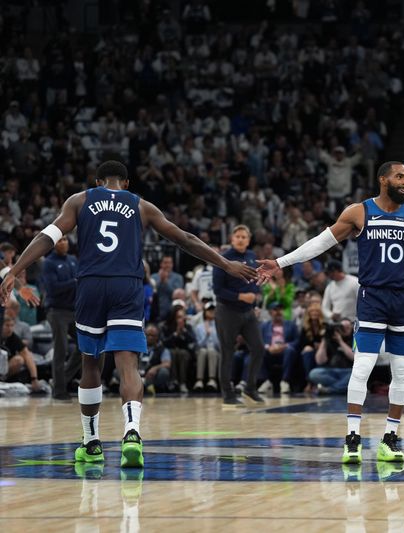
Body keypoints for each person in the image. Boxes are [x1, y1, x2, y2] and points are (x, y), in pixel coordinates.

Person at [0, 160, 256, 469]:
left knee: (91, 362)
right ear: (127, 182)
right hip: (127, 286)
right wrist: (226, 263)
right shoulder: (141, 205)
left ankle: (91, 443)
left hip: (92, 285)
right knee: (128, 365)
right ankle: (132, 434)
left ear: (97, 181)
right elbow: (184, 238)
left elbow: (47, 236)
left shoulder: (79, 200)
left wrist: (15, 269)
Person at [256, 160, 404, 464]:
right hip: (372, 298)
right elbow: (321, 243)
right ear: (383, 179)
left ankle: (389, 439)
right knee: (362, 367)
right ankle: (352, 438)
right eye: (399, 176)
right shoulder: (359, 212)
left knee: (401, 372)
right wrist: (280, 263)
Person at [212, 224, 265, 407]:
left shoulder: (251, 257)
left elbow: (255, 282)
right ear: (232, 239)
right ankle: (227, 393)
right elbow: (218, 290)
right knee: (228, 351)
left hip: (248, 311)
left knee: (258, 348)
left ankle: (250, 387)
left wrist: (256, 298)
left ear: (249, 240)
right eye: (238, 237)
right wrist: (240, 296)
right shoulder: (223, 259)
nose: (241, 239)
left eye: (244, 237)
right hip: (227, 310)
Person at [41, 235, 81, 400]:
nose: (63, 243)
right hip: (56, 310)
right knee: (61, 349)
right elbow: (53, 288)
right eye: (60, 240)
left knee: (84, 346)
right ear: (54, 244)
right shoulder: (49, 263)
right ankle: (59, 391)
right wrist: (75, 282)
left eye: (65, 240)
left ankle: (61, 380)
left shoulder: (73, 259)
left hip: (74, 310)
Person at [307, 318, 355, 394]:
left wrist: (340, 341)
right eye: (342, 327)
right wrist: (325, 339)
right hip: (332, 372)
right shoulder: (331, 339)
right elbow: (319, 361)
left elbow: (354, 358)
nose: (345, 330)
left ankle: (330, 390)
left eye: (348, 327)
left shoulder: (354, 339)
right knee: (314, 373)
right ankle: (342, 387)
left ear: (352, 328)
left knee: (355, 375)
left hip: (348, 371)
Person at [193, 301, 220, 392]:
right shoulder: (199, 327)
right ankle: (199, 381)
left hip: (216, 351)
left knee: (211, 351)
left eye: (213, 310)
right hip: (202, 350)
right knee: (203, 351)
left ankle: (212, 380)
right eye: (209, 310)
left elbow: (219, 345)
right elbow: (199, 345)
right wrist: (207, 335)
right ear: (205, 312)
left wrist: (212, 334)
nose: (212, 312)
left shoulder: (220, 326)